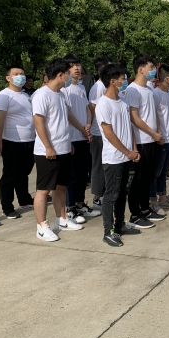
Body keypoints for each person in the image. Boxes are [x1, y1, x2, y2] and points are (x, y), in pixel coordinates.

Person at [33, 58, 84, 242]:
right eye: (68, 75)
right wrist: (48, 146)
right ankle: (42, 226)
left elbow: (65, 117)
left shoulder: (61, 95)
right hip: (47, 151)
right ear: (60, 75)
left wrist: (71, 139)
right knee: (43, 190)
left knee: (61, 187)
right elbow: (38, 121)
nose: (69, 78)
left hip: (63, 148)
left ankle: (61, 219)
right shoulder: (42, 94)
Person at [95, 64, 140, 247]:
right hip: (113, 158)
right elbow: (109, 134)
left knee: (122, 194)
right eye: (122, 78)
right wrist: (127, 151)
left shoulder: (122, 102)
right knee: (111, 195)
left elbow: (129, 128)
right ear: (113, 81)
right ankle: (108, 232)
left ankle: (120, 225)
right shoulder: (103, 104)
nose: (125, 81)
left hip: (127, 156)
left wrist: (134, 150)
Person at [126, 54, 165, 228]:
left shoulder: (149, 89)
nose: (153, 70)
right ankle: (134, 215)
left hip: (152, 140)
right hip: (141, 141)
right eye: (151, 67)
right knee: (138, 179)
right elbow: (134, 117)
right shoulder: (132, 90)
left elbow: (154, 112)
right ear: (141, 69)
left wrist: (158, 132)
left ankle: (145, 209)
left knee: (148, 178)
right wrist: (152, 133)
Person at [0, 66, 35, 219]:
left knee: (24, 172)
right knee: (10, 174)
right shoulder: (4, 96)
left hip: (29, 139)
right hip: (12, 141)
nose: (20, 76)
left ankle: (24, 199)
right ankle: (7, 207)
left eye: (22, 74)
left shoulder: (25, 95)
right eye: (16, 74)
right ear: (8, 78)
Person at [62, 54, 97, 221]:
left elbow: (87, 108)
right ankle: (70, 209)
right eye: (72, 65)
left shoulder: (82, 88)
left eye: (77, 64)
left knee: (83, 175)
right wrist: (81, 129)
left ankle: (80, 204)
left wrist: (88, 124)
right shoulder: (64, 89)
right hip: (73, 137)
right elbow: (67, 114)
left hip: (84, 136)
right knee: (73, 176)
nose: (76, 68)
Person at [150, 63, 169, 211]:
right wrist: (158, 133)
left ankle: (163, 197)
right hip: (161, 139)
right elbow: (154, 116)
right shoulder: (155, 94)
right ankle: (152, 201)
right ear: (167, 79)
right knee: (156, 172)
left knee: (163, 172)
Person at [88, 55, 112, 209]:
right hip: (98, 132)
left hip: (104, 132)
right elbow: (93, 107)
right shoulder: (98, 88)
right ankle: (97, 196)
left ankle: (104, 193)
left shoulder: (105, 86)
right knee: (98, 165)